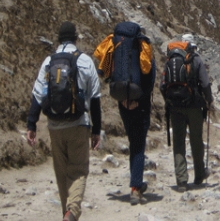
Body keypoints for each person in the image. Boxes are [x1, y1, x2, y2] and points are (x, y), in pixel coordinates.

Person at [26, 21, 101, 221]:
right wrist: (96, 130)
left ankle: (65, 213)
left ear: (58, 39)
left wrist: (31, 124)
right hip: (78, 124)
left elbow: (38, 95)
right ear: (76, 38)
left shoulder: (49, 61)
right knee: (78, 171)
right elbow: (94, 98)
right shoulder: (85, 61)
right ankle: (72, 212)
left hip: (54, 126)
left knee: (61, 174)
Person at [106, 21, 156, 205]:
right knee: (138, 144)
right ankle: (135, 187)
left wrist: (124, 100)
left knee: (132, 140)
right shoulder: (144, 47)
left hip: (122, 102)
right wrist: (139, 99)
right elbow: (150, 78)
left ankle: (137, 182)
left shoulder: (116, 45)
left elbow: (109, 74)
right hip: (140, 103)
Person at [160, 34, 213, 192]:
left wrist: (169, 101)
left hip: (175, 107)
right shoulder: (196, 59)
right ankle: (199, 175)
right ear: (193, 46)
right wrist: (209, 100)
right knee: (196, 141)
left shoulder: (170, 60)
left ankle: (181, 180)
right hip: (195, 107)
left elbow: (162, 86)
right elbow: (205, 83)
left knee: (178, 142)